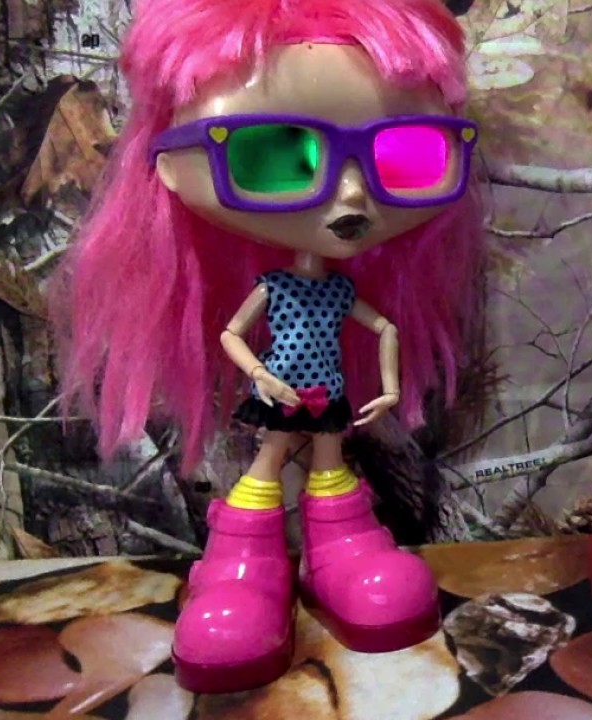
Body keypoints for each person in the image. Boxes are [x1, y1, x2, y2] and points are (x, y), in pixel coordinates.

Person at [52, 0, 483, 693]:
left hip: (328, 393)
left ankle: (342, 547)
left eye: (405, 153)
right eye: (275, 155)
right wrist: (260, 373)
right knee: (269, 457)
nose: (351, 195)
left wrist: (390, 387)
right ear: (169, 163)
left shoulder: (337, 291)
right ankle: (241, 561)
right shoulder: (276, 290)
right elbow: (232, 333)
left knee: (329, 456)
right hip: (283, 387)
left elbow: (383, 329)